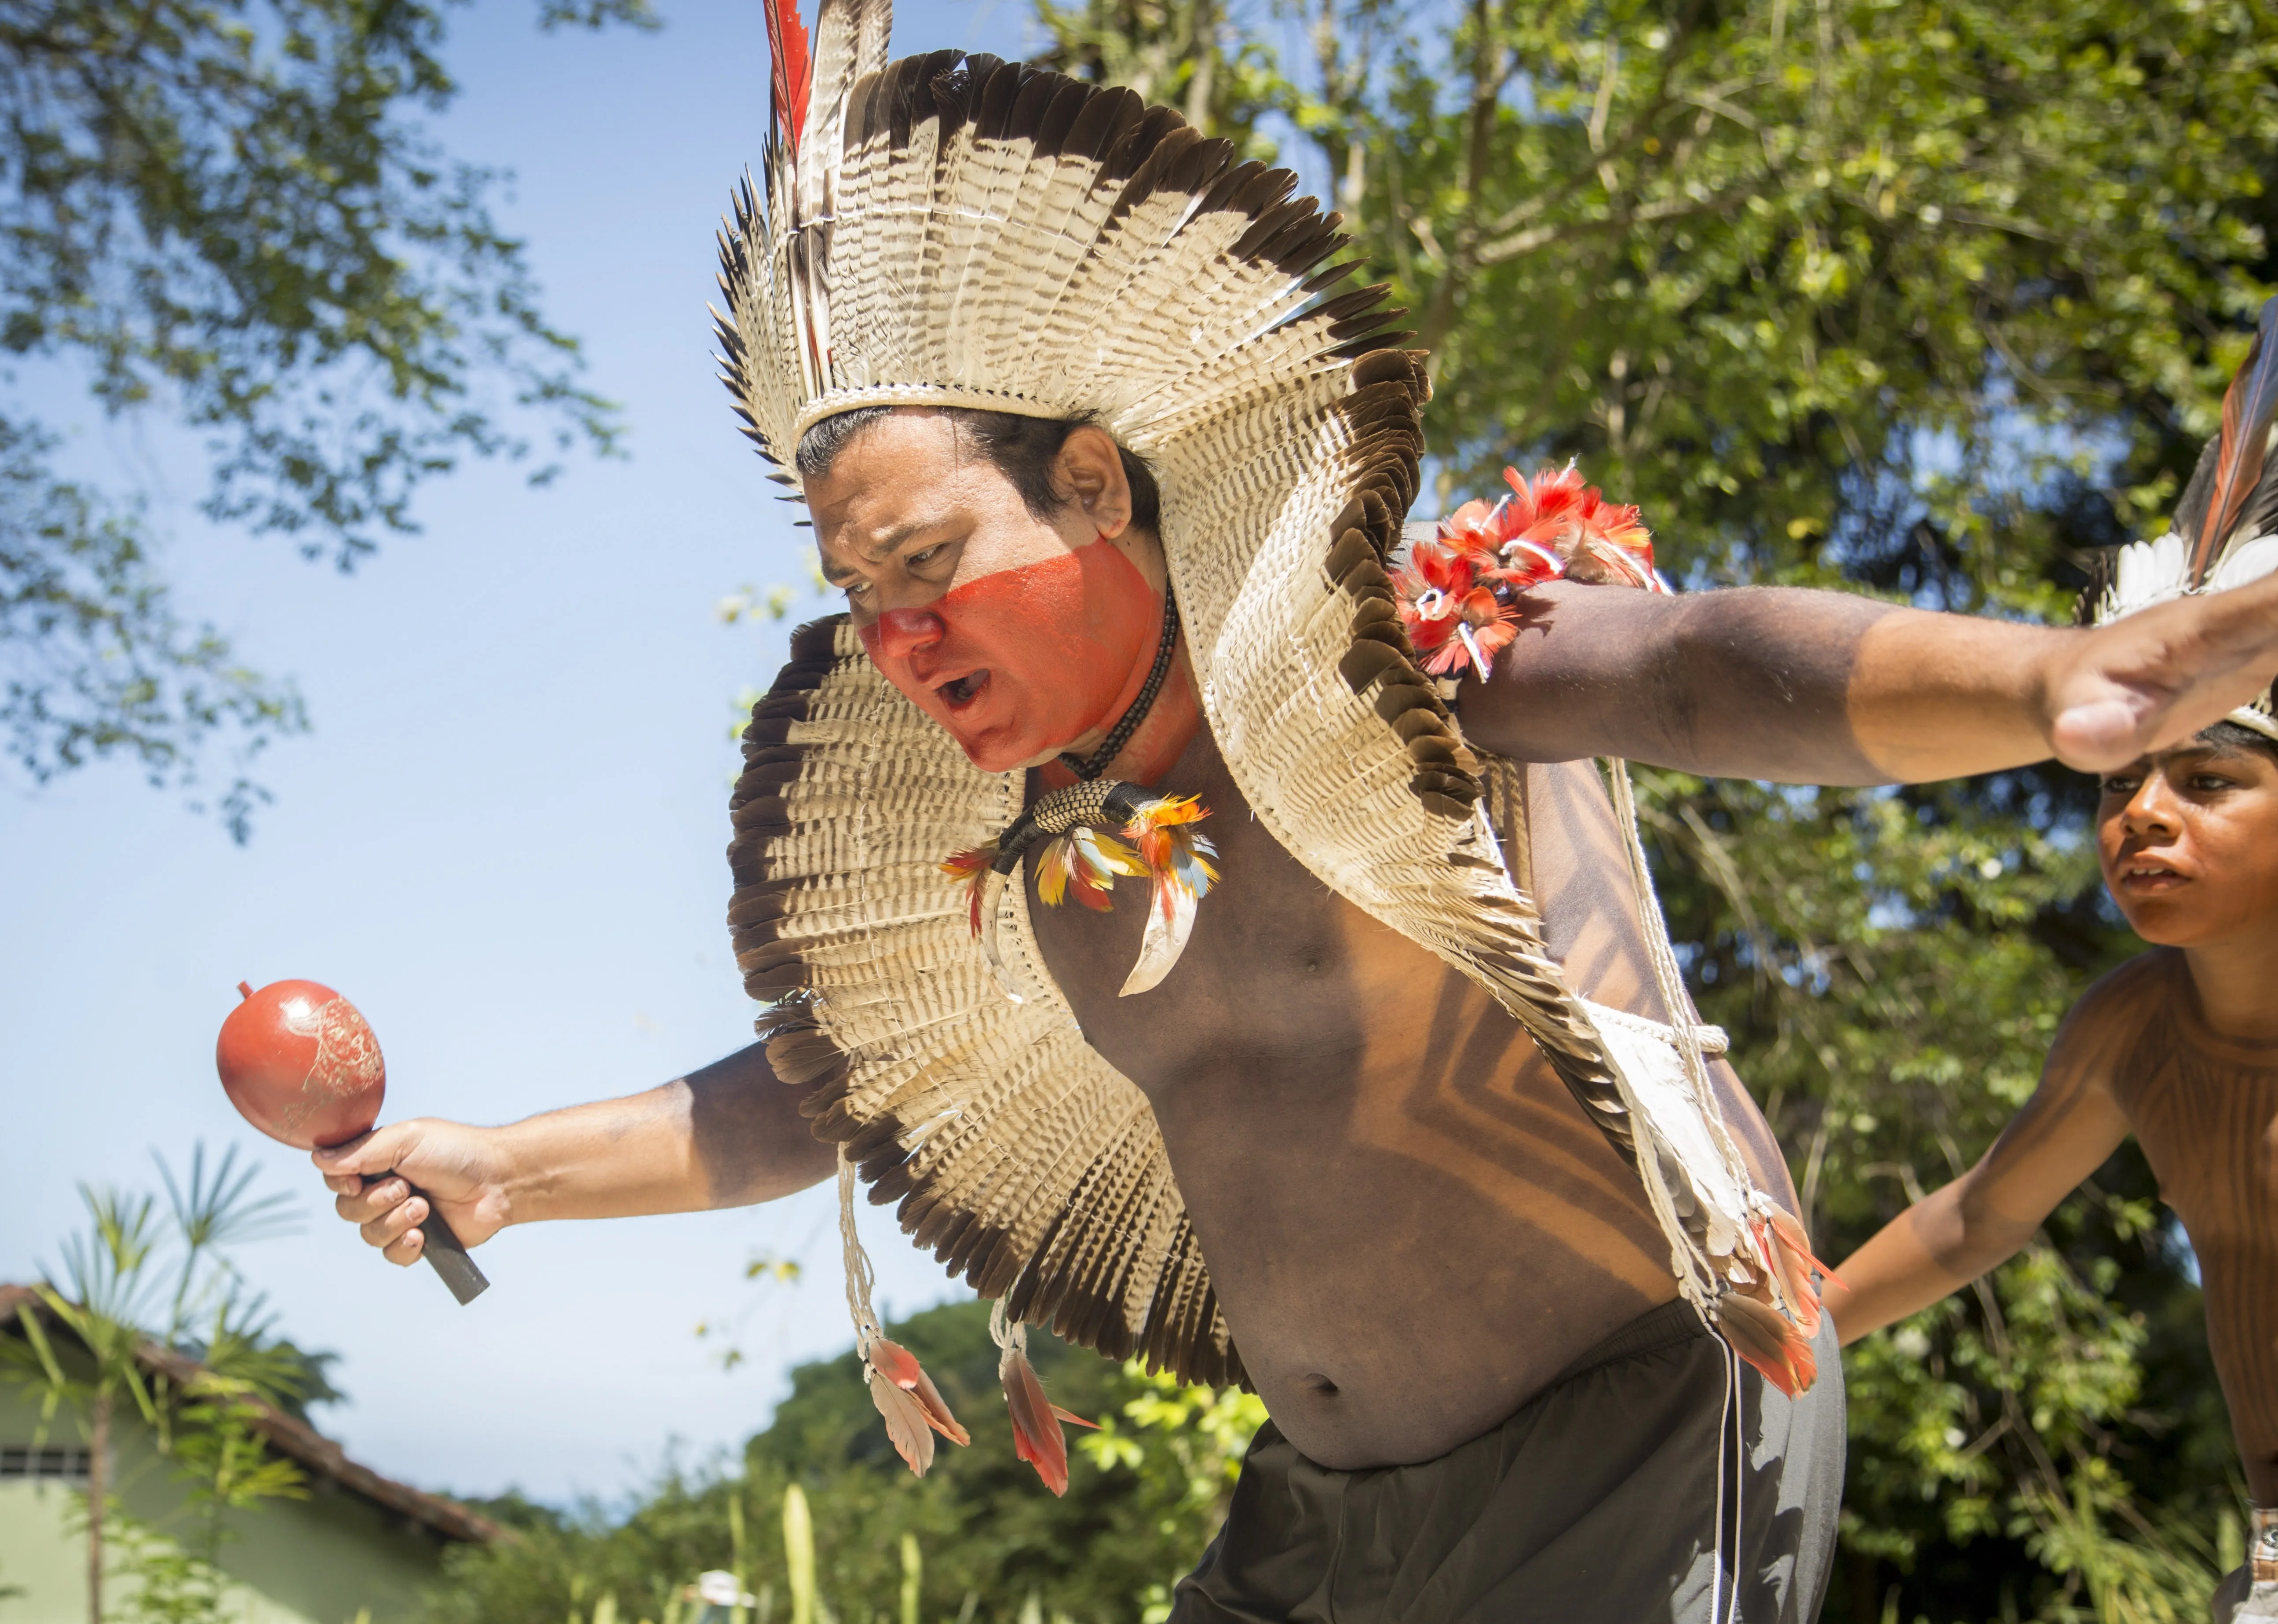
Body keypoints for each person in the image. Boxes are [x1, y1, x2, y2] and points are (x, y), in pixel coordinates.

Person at [313, 6, 2278, 1619]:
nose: (896, 638)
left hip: (1634, 1433)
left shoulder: (1393, 671)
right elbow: (834, 1089)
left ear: (1097, 484)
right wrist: (512, 1168)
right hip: (1323, 1516)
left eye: (929, 563)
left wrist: (2050, 683)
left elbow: (1694, 664)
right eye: (859, 596)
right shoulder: (1042, 860)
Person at [1824, 303, 2278, 1623]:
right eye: (2120, 785)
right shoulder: (2131, 1030)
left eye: (2208, 781)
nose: (2143, 816)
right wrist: (1783, 1338)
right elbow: (1977, 1217)